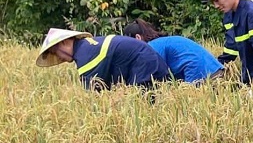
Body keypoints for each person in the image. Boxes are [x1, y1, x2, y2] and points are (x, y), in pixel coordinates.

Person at [36, 28, 170, 90]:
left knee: (142, 106)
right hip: (147, 59)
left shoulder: (86, 57)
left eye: (56, 53)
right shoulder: (86, 47)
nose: (59, 58)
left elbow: (93, 95)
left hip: (144, 64)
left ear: (64, 43)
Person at [122, 19, 224, 84]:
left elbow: (156, 76)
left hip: (200, 73)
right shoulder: (160, 42)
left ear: (138, 37)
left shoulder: (151, 48)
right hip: (214, 69)